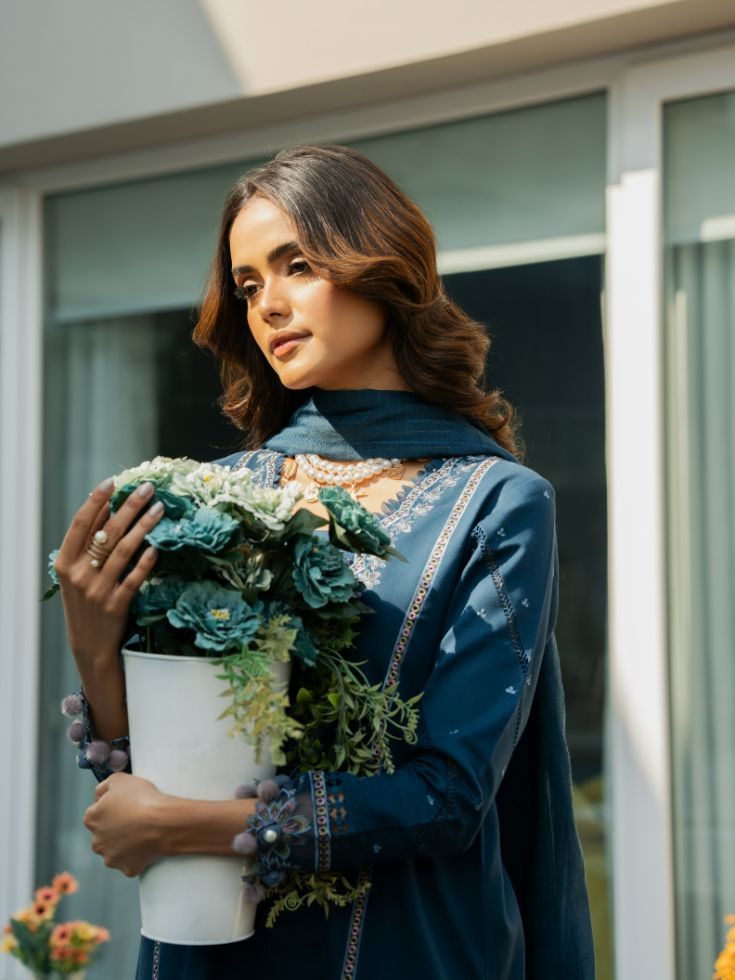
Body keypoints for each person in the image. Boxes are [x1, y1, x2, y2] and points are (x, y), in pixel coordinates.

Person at [53, 145, 595, 979]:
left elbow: (448, 795)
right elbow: (152, 771)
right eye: (247, 286)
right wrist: (94, 647)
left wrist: (195, 827)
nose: (268, 304)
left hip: (403, 945)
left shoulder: (494, 501)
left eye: (297, 266)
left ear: (379, 264)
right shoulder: (220, 499)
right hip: (213, 944)